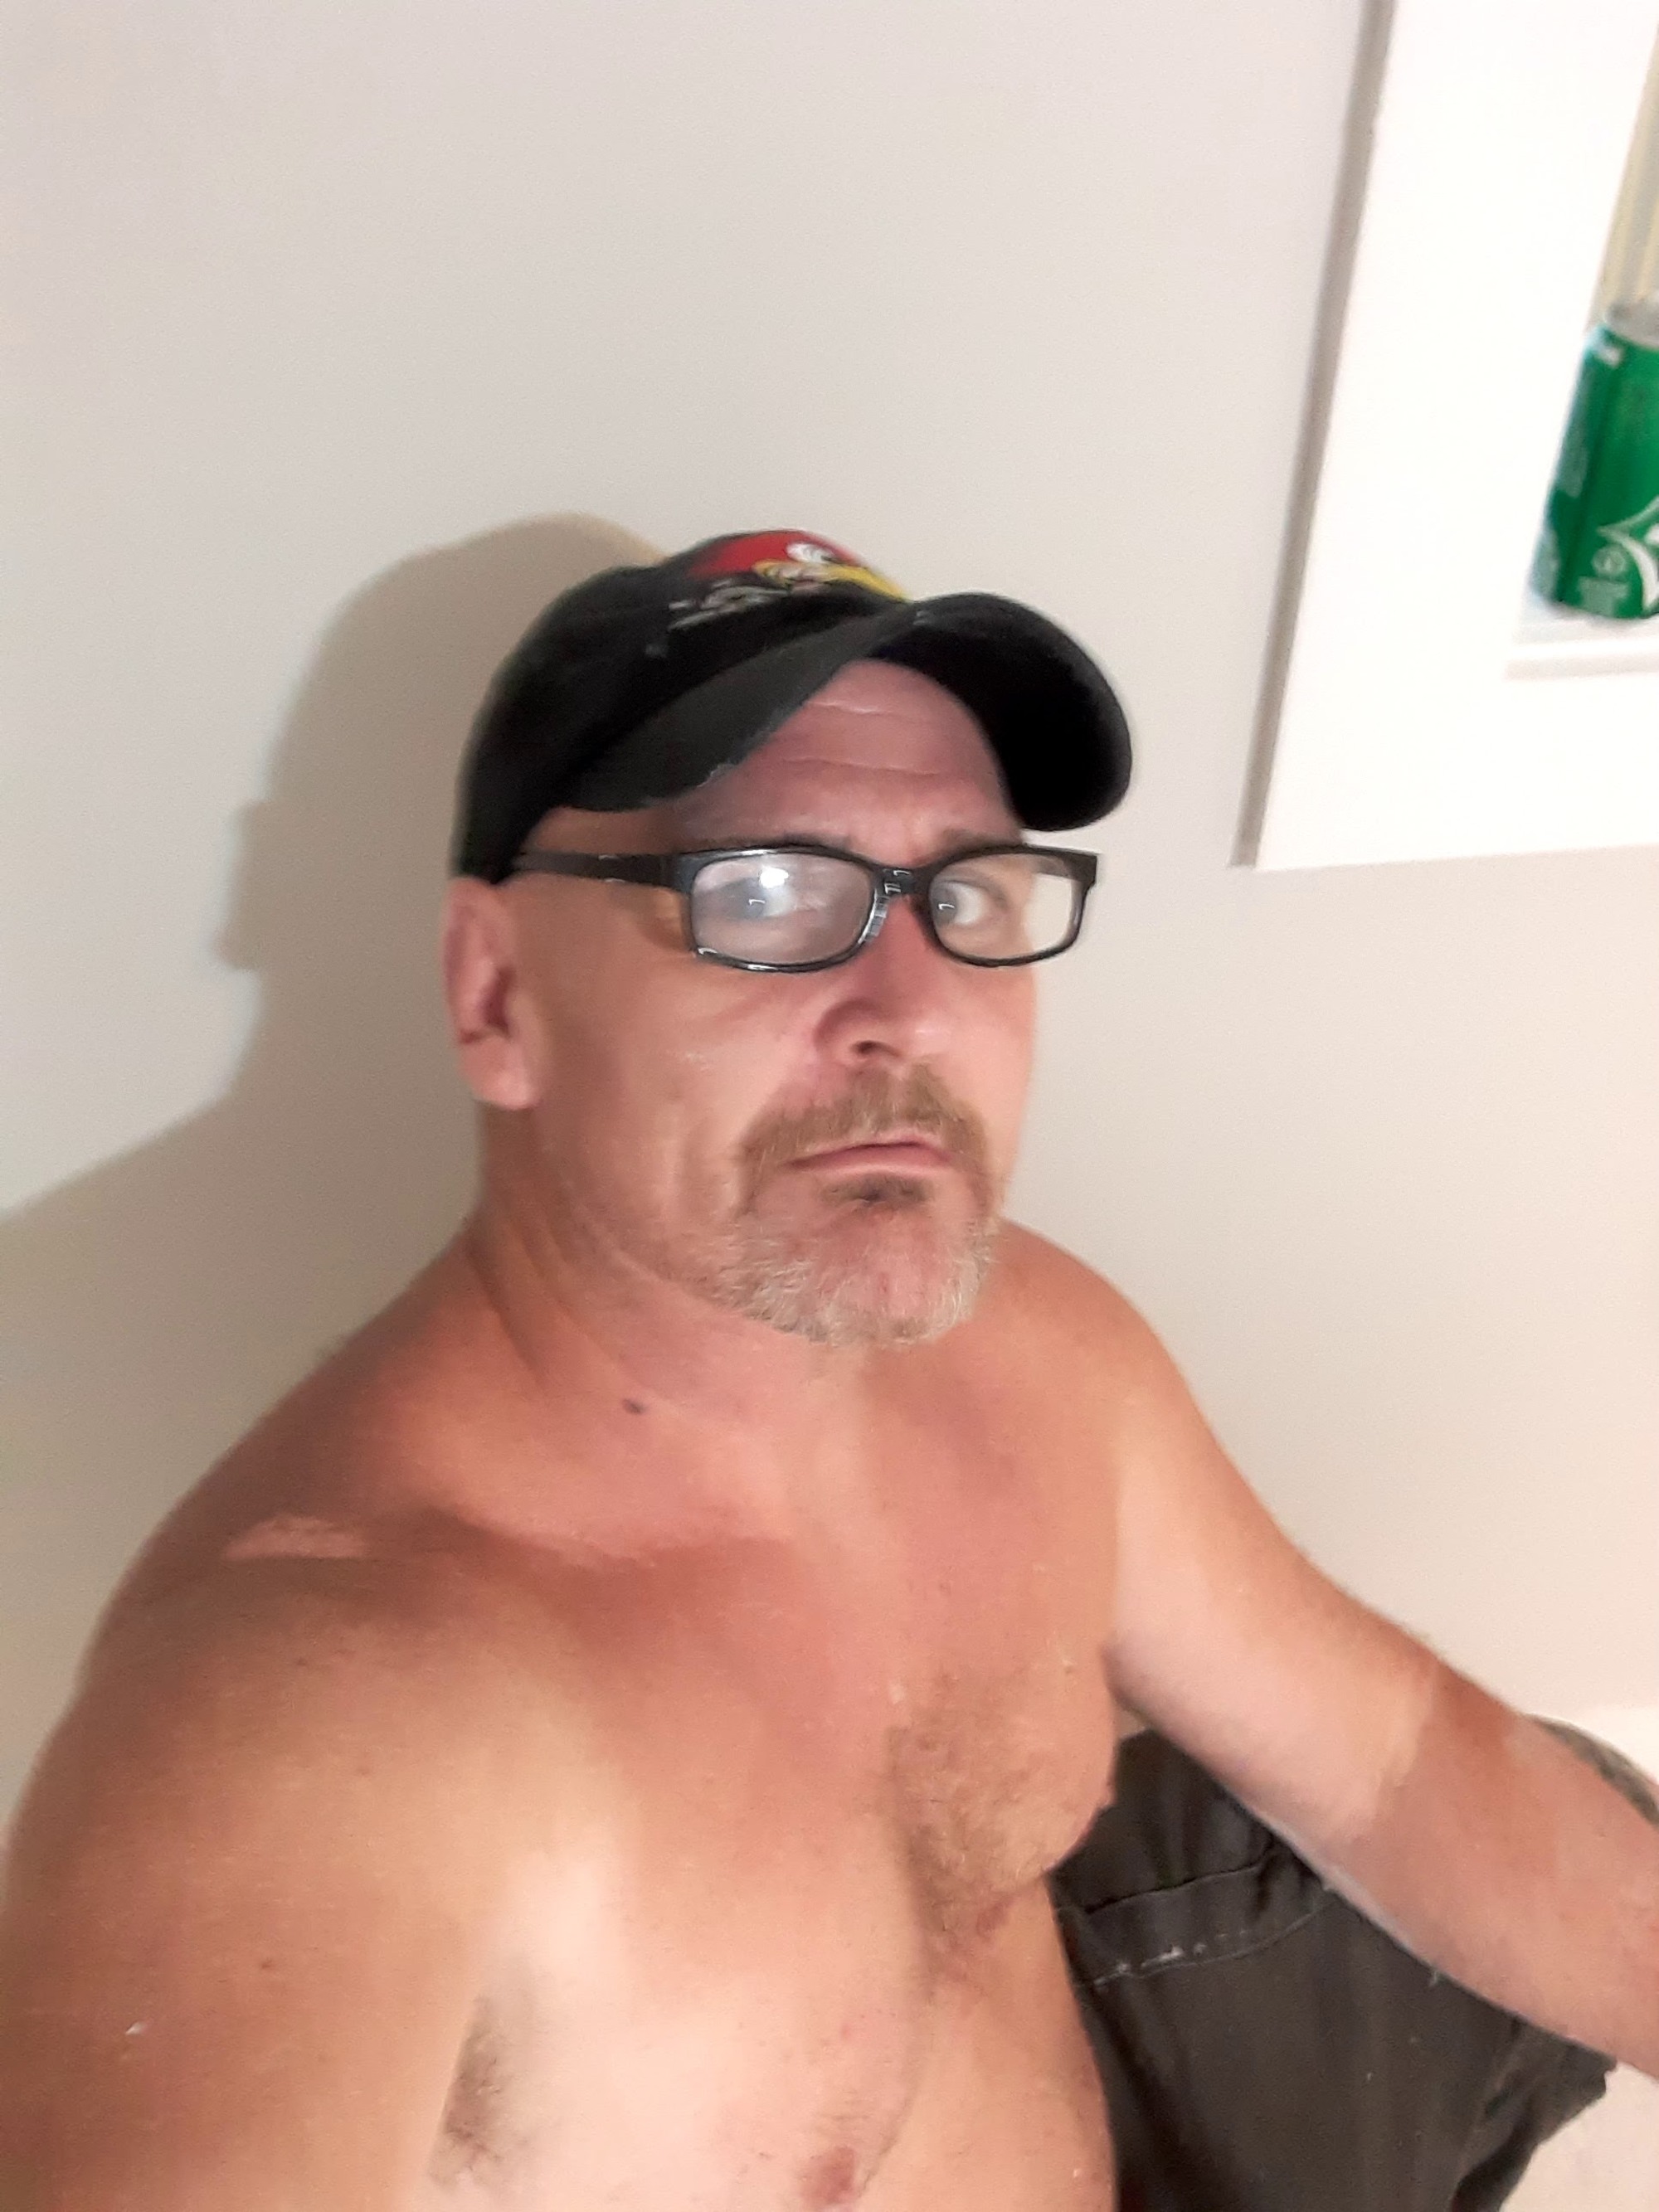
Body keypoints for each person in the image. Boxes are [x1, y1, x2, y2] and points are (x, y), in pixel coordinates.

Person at [1, 527, 1654, 2212]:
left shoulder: (1035, 1353)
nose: (912, 1013)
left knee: (1588, 1809)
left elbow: (1393, 1761)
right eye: (767, 895)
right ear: (494, 995)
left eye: (968, 894)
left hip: (1105, 2112)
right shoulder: (308, 1733)